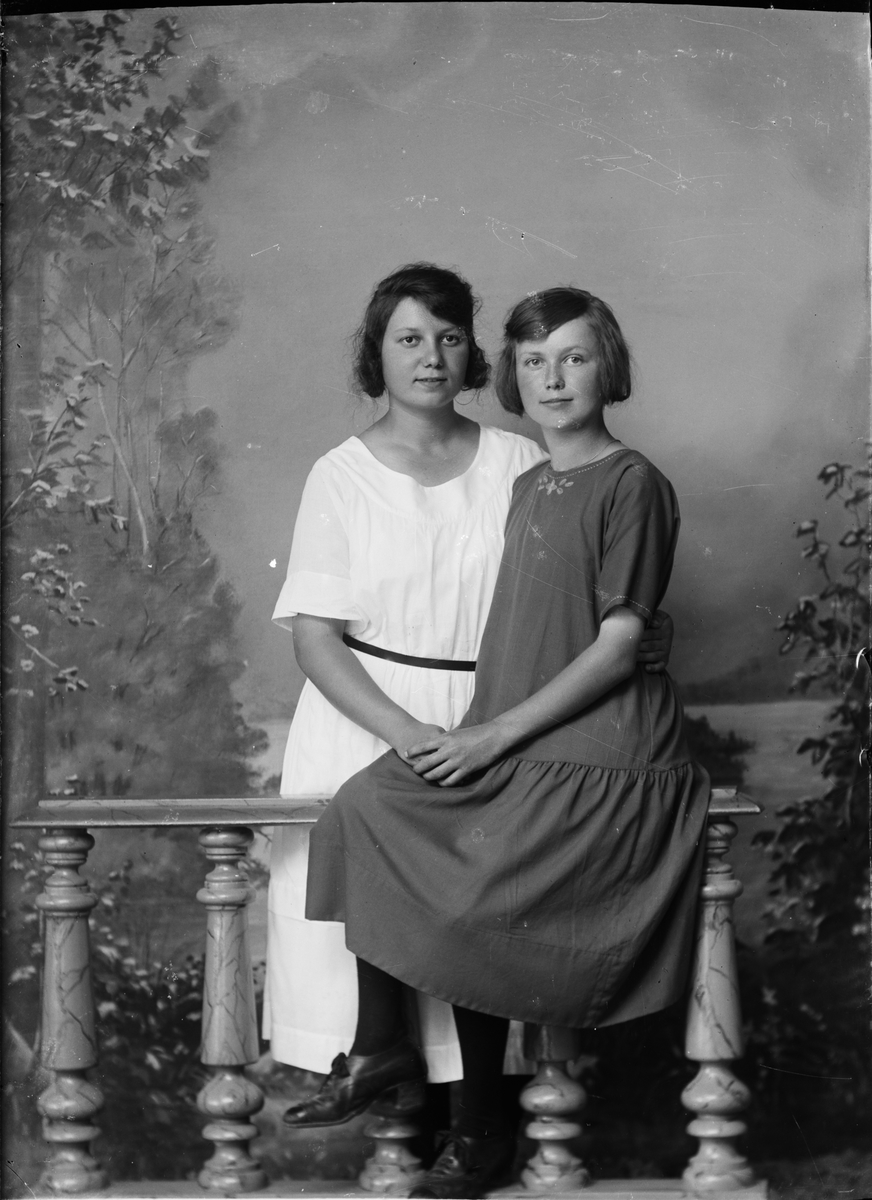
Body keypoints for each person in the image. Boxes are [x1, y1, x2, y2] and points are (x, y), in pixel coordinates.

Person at [300, 287, 711, 1199]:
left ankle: (481, 1127)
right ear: (516, 376)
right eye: (534, 361)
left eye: (574, 357)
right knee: (369, 804)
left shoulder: (633, 480)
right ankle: (381, 1043)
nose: (554, 379)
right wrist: (493, 730)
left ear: (610, 366)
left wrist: (495, 736)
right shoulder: (529, 483)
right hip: (528, 728)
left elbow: (616, 643)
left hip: (600, 745)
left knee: (472, 883)